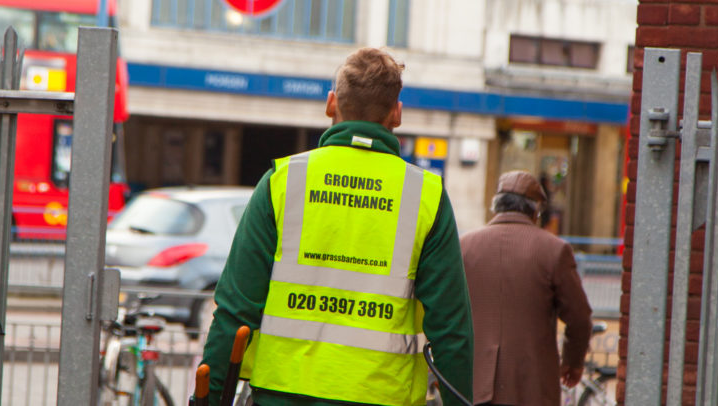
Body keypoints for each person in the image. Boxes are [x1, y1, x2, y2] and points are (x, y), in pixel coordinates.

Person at [200, 47, 474, 405]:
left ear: (332, 104)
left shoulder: (283, 182)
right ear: (397, 113)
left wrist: (204, 398)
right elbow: (451, 331)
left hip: (282, 394)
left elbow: (235, 308)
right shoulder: (426, 197)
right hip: (381, 395)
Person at [459, 171, 593, 406]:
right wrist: (573, 362)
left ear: (496, 206)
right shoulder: (554, 250)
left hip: (472, 384)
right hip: (532, 388)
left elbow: (448, 313)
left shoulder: (464, 247)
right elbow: (579, 317)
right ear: (535, 211)